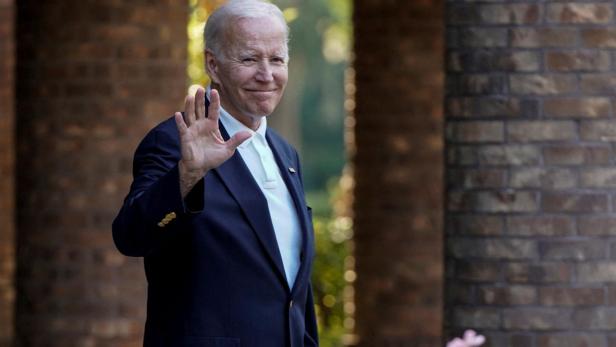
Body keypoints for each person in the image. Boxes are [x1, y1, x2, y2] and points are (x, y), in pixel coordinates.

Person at [112, 1, 318, 346]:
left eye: (277, 60)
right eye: (249, 59)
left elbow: (294, 291)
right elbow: (131, 237)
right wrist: (187, 175)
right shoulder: (173, 142)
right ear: (213, 64)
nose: (266, 75)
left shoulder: (285, 153)